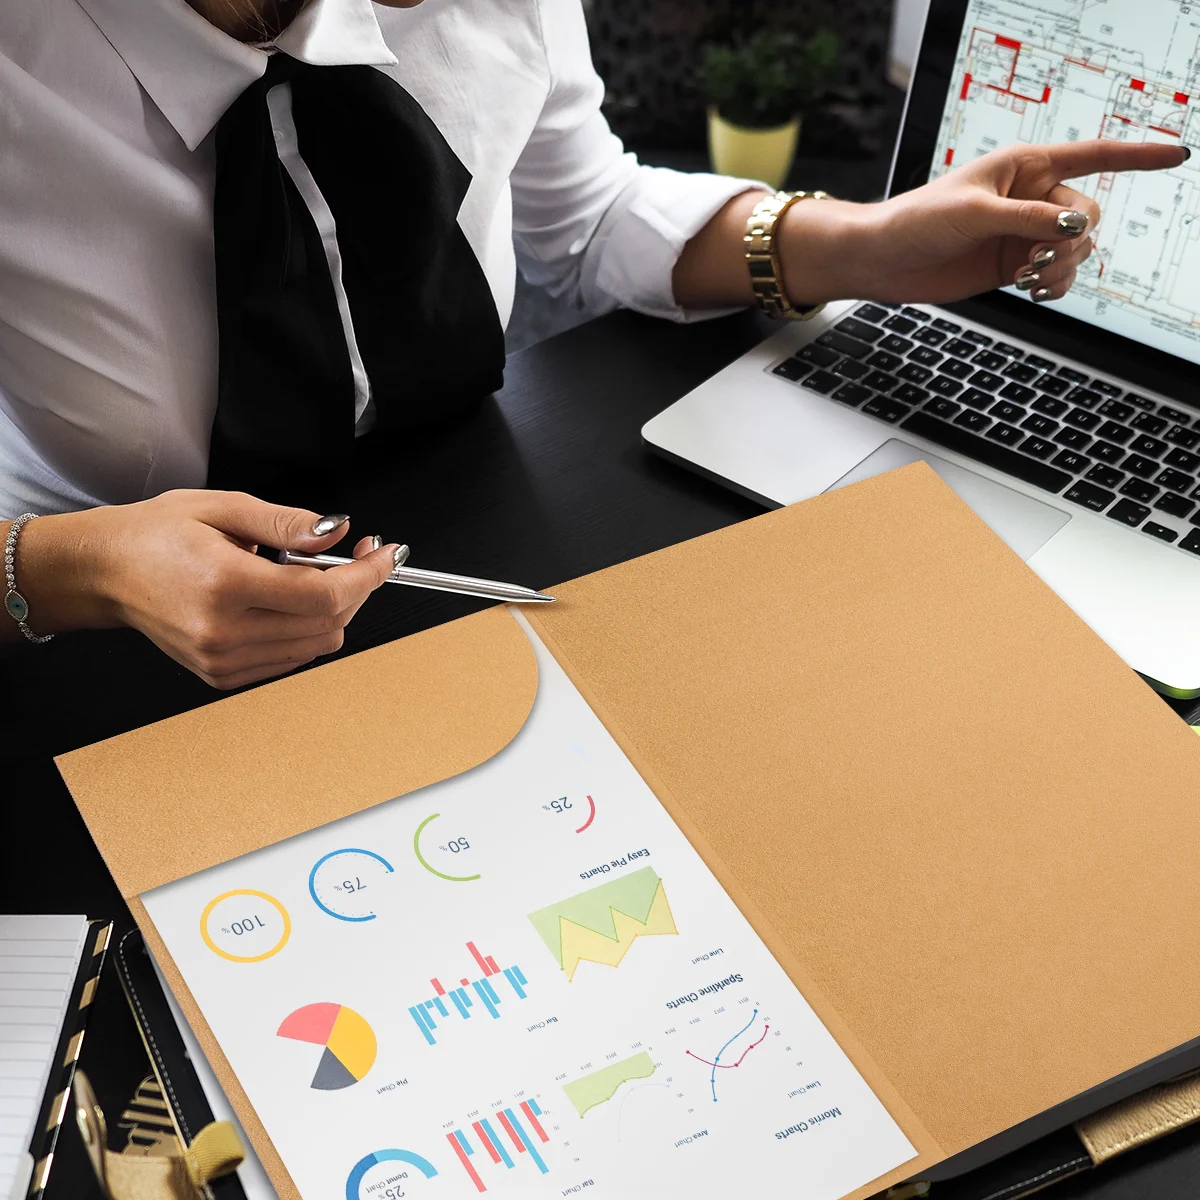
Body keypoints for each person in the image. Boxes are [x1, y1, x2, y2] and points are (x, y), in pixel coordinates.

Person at [0, 0, 1186, 687]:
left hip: (473, 541)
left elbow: (581, 212)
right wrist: (69, 567)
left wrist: (857, 245)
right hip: (93, 656)